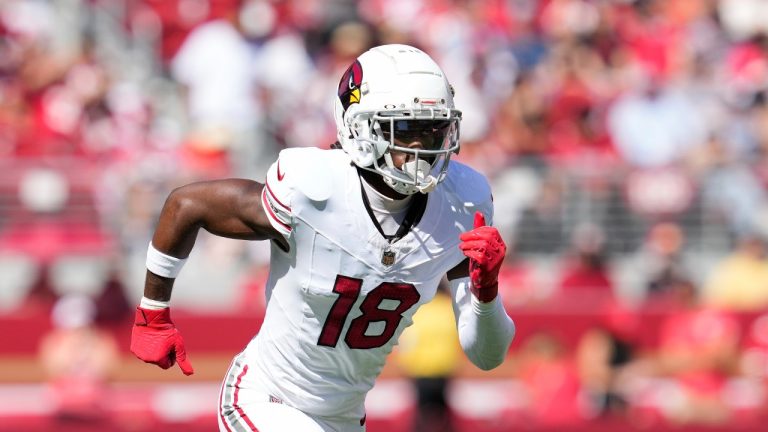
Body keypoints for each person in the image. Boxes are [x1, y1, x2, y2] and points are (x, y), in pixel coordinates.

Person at [129, 44, 516, 432]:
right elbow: (186, 205)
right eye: (406, 129)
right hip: (265, 398)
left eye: (433, 130)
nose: (421, 147)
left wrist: (487, 294)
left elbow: (487, 356)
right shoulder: (314, 187)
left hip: (343, 418)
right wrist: (153, 314)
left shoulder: (461, 203)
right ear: (360, 128)